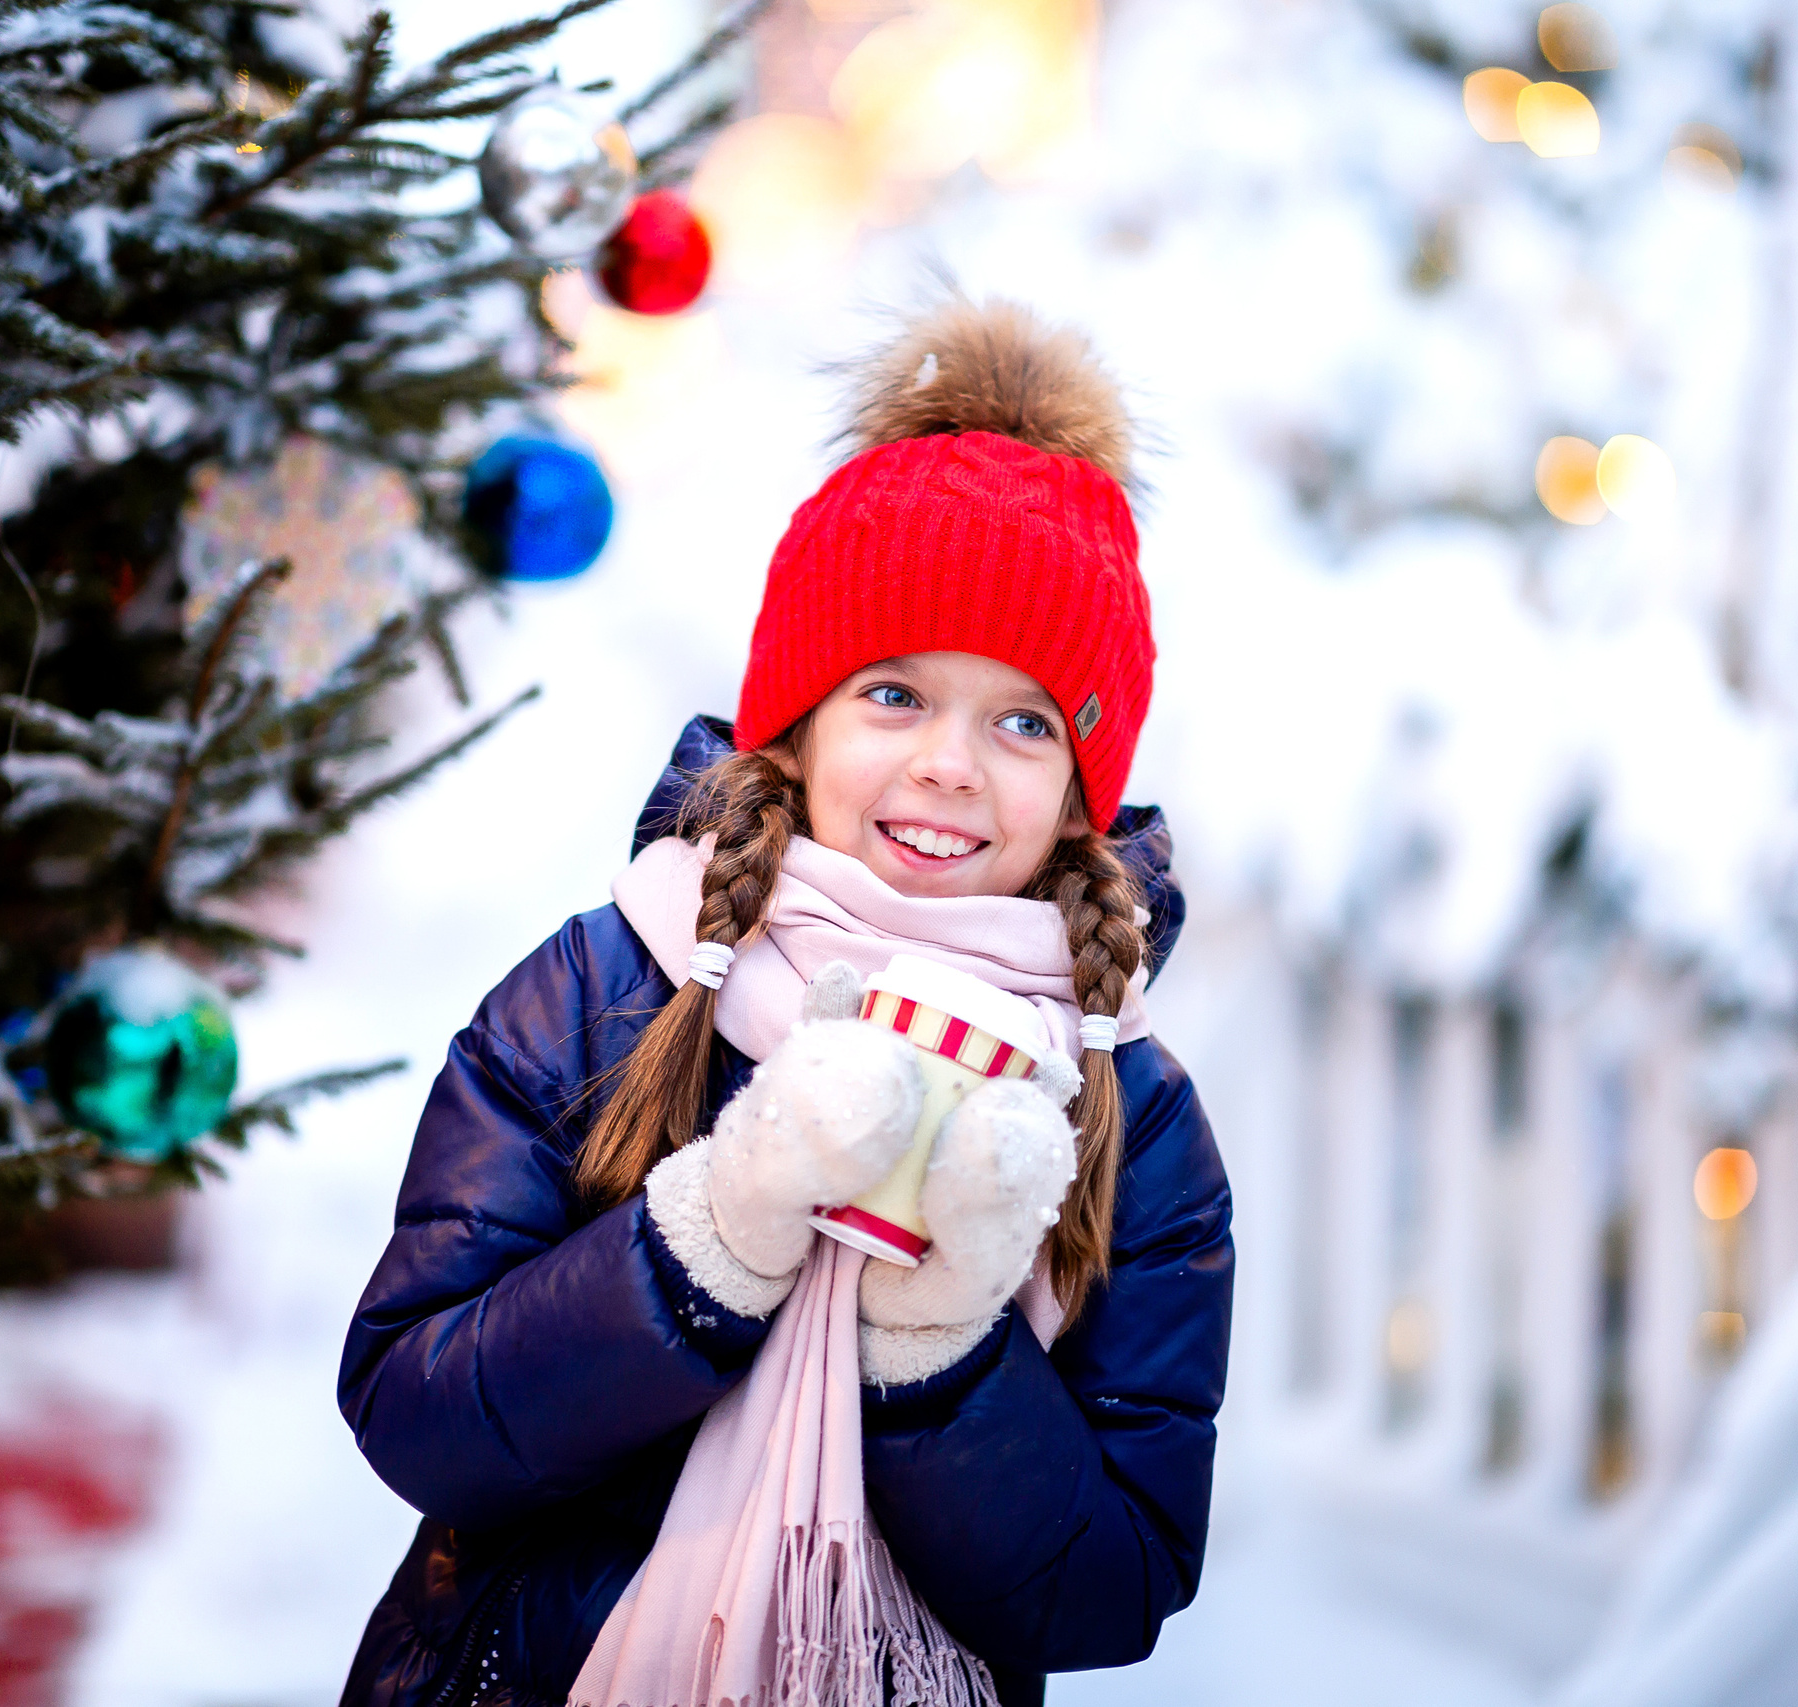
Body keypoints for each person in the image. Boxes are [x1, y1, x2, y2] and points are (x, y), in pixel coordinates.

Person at [338, 298, 1234, 1707]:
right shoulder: (607, 992)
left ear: (1081, 781)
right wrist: (717, 1236)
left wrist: (936, 1345)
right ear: (799, 714)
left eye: (1022, 721)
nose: (950, 764)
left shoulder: (1132, 1114)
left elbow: (1111, 1588)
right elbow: (416, 1411)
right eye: (894, 693)